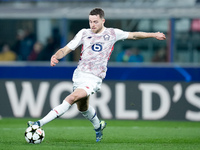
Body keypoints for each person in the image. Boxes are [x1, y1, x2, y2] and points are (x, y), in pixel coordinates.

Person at [28, 8, 166, 142]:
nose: (92, 25)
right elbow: (66, 49)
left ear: (103, 21)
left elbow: (134, 35)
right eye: (90, 21)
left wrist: (153, 34)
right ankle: (98, 126)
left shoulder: (112, 33)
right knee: (82, 107)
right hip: (79, 75)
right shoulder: (83, 33)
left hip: (94, 78)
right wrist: (55, 56)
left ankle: (38, 123)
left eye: (95, 22)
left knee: (72, 97)